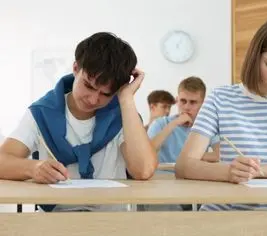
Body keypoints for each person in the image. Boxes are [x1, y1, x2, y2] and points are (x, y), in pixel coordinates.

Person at [176, 18, 267, 211]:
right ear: (255, 59)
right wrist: (229, 172)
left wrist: (264, 172)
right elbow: (183, 165)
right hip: (220, 214)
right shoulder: (220, 98)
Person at [0, 32, 157, 212]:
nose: (93, 99)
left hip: (112, 221)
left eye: (106, 94)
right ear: (76, 68)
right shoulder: (42, 112)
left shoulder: (122, 115)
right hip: (55, 222)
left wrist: (127, 99)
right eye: (88, 86)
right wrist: (33, 167)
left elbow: (143, 170)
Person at [148, 76, 219, 165]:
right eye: (183, 101)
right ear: (177, 100)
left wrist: (189, 157)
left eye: (192, 102)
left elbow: (218, 155)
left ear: (203, 104)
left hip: (190, 176)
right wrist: (175, 123)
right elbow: (147, 152)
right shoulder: (160, 123)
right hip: (163, 175)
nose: (186, 107)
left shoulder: (207, 126)